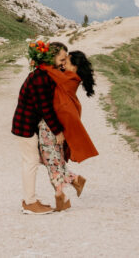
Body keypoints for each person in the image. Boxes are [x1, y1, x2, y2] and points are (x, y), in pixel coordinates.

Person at [37, 49, 98, 211]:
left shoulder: (70, 77)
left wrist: (41, 63)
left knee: (51, 159)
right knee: (51, 158)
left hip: (53, 124)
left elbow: (50, 72)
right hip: (54, 123)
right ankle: (74, 180)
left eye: (67, 61)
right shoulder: (70, 76)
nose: (63, 64)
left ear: (75, 67)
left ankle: (61, 197)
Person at [11, 40, 66, 214]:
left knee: (33, 160)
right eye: (62, 60)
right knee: (31, 162)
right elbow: (45, 108)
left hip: (27, 125)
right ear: (51, 58)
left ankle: (31, 200)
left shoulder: (45, 73)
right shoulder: (41, 78)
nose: (64, 64)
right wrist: (58, 131)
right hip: (25, 126)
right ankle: (29, 202)